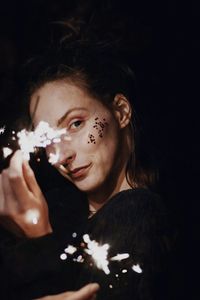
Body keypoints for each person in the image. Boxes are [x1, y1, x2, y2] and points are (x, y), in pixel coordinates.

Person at [0, 36, 175, 300]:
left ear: (121, 111)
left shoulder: (140, 213)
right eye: (49, 140)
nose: (62, 155)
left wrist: (36, 239)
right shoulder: (57, 209)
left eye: (76, 124)